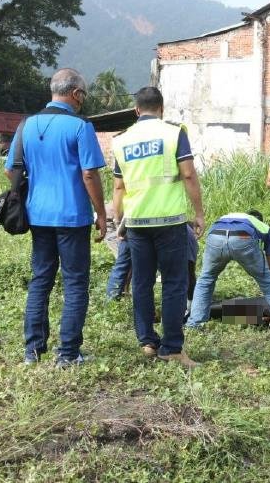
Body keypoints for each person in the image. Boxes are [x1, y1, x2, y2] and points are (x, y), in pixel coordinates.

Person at [5, 68, 107, 368]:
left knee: (40, 280)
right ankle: (68, 353)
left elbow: (11, 168)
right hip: (72, 216)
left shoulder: (26, 125)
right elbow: (89, 173)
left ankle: (32, 351)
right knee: (75, 283)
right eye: (83, 95)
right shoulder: (80, 126)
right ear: (75, 94)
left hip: (37, 215)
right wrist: (101, 213)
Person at [112, 87, 205, 369]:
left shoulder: (121, 140)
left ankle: (147, 342)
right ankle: (172, 348)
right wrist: (199, 213)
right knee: (175, 283)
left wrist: (119, 222)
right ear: (161, 109)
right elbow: (187, 173)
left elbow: (118, 186)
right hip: (170, 221)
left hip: (137, 223)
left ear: (136, 110)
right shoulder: (174, 133)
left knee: (141, 282)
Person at [187, 211, 270, 331]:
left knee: (205, 280)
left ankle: (194, 324)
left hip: (215, 235)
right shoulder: (266, 229)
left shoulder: (229, 216)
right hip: (242, 236)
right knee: (267, 281)